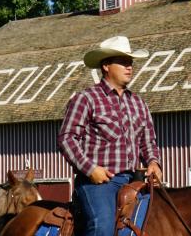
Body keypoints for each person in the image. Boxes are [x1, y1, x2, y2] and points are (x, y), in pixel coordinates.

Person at [57, 35, 163, 236]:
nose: (129, 67)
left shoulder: (139, 103)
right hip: (98, 183)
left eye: (130, 62)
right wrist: (90, 169)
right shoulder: (86, 99)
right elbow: (67, 138)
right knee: (102, 226)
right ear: (106, 65)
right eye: (123, 62)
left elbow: (148, 141)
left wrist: (153, 162)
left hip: (134, 180)